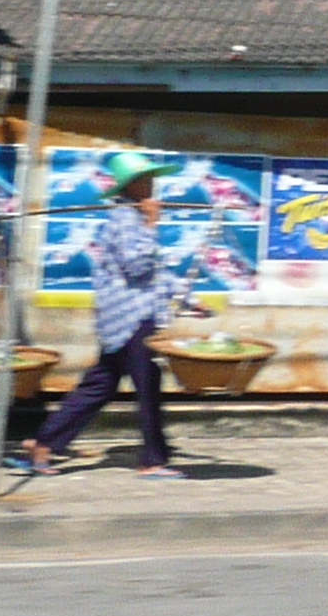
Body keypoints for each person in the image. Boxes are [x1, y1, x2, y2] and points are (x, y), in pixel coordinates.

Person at [18, 150, 204, 479]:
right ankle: (153, 460)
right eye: (144, 180)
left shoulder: (130, 217)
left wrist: (188, 299)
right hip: (131, 319)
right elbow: (137, 266)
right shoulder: (125, 220)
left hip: (123, 321)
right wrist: (150, 224)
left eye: (151, 179)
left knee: (99, 385)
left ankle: (44, 444)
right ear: (129, 186)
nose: (151, 185)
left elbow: (155, 272)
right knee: (148, 385)